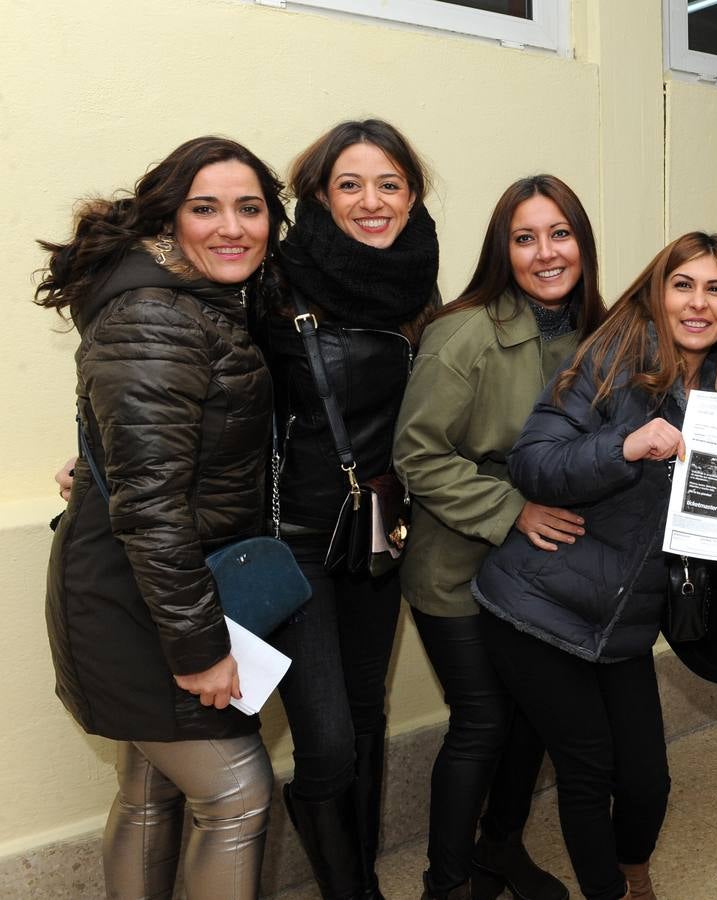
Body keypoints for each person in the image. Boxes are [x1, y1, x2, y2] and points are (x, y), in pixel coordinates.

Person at [471, 232, 717, 900]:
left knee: (647, 782)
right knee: (587, 770)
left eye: (716, 289)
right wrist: (623, 445)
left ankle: (632, 874)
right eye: (682, 285)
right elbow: (532, 465)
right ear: (657, 294)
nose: (698, 303)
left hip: (624, 620)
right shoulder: (607, 363)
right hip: (535, 605)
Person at [38, 136, 286, 899]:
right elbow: (152, 507)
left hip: (144, 591)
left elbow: (156, 447)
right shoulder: (158, 314)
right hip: (143, 604)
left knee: (151, 788)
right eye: (205, 208)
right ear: (168, 221)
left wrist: (99, 462)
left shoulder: (185, 302)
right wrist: (200, 649)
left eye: (250, 208)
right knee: (238, 794)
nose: (232, 227)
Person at [392, 175, 604, 900]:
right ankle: (445, 882)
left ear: (582, 244)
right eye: (525, 238)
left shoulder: (599, 334)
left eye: (560, 234)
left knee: (535, 718)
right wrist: (513, 509)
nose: (546, 253)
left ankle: (498, 851)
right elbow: (417, 454)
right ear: (502, 251)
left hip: (545, 570)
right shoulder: (464, 332)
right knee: (483, 720)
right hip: (457, 568)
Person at [259, 119, 441, 899]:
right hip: (295, 542)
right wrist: (107, 454)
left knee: (368, 716)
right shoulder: (275, 282)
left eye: (389, 184)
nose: (373, 201)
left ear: (412, 197)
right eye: (351, 184)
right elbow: (210, 389)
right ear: (320, 197)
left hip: (377, 532)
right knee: (329, 742)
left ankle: (359, 882)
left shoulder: (418, 284)